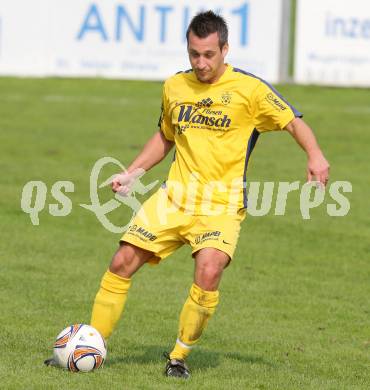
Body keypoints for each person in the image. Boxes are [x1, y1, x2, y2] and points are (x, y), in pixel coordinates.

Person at [90, 11, 330, 379]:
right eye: (193, 54)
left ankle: (178, 357)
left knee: (209, 269)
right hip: (174, 198)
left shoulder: (249, 89)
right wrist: (133, 172)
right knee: (122, 260)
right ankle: (91, 346)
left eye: (208, 54)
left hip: (221, 204)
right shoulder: (174, 86)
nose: (200, 63)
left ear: (224, 49)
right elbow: (166, 136)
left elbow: (293, 122)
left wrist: (315, 155)